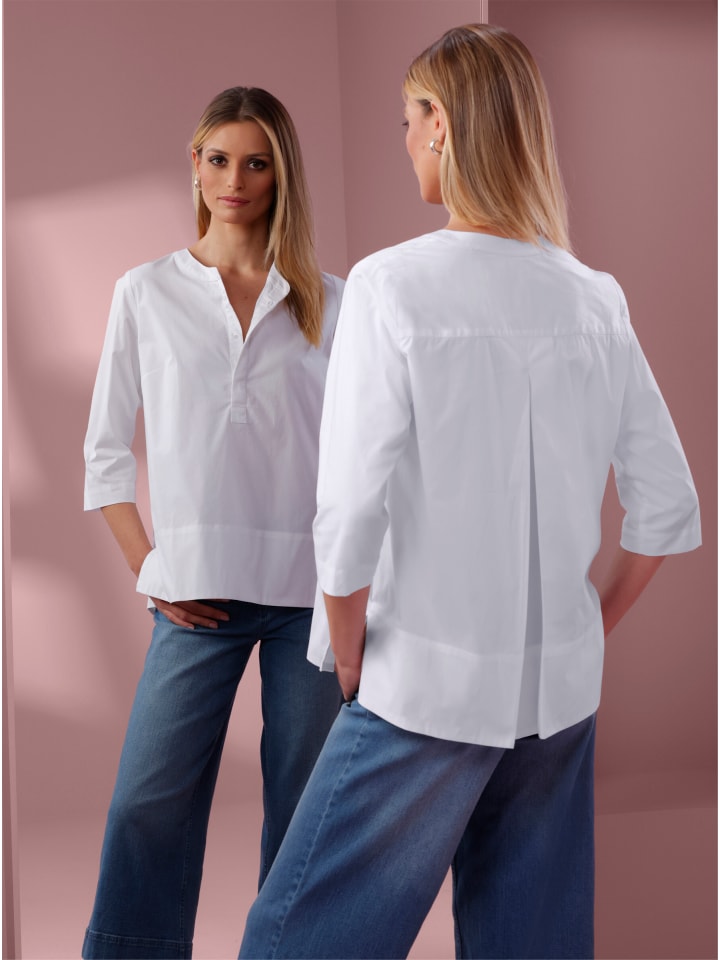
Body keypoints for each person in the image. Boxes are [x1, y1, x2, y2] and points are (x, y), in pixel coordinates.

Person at [238, 25, 701, 960]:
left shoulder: (390, 286)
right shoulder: (594, 297)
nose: (405, 139)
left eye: (409, 119)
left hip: (422, 688)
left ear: (442, 125)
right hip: (559, 696)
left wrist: (347, 652)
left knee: (295, 940)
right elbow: (666, 506)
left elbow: (349, 507)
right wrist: (582, 628)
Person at [82, 86, 344, 960]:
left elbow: (364, 458)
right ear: (194, 164)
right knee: (145, 806)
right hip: (194, 597)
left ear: (281, 175)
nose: (236, 180)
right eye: (220, 159)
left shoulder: (332, 302)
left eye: (256, 163)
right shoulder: (144, 292)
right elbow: (104, 456)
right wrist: (151, 569)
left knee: (304, 812)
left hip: (312, 599)